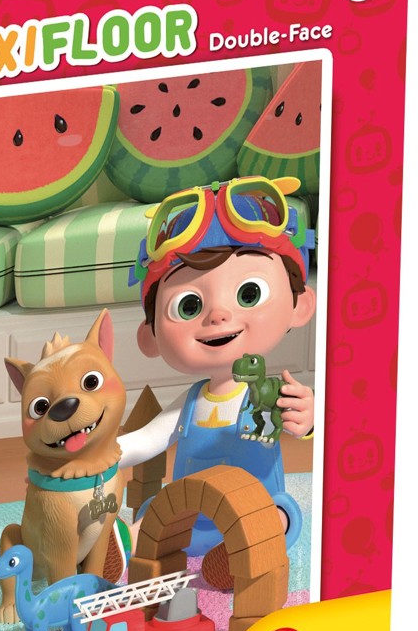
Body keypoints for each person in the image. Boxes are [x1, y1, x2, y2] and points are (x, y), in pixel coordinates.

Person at [119, 176, 317, 584]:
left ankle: (238, 555)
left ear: (300, 305)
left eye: (248, 294)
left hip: (252, 514)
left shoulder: (266, 392)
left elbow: (312, 426)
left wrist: (308, 417)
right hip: (191, 521)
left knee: (277, 514)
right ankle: (119, 546)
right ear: (150, 336)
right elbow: (147, 440)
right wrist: (102, 454)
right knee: (154, 513)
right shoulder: (191, 401)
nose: (218, 316)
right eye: (189, 305)